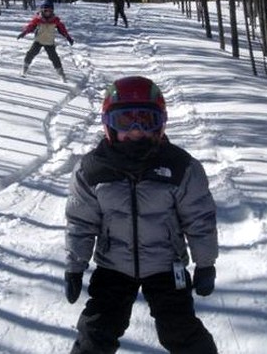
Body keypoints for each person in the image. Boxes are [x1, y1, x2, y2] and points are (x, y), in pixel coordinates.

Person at [64, 76, 219, 354]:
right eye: (126, 122)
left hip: (166, 266)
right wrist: (75, 265)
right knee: (94, 333)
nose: (136, 131)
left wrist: (205, 263)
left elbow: (199, 218)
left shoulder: (180, 167)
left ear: (160, 124)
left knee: (181, 331)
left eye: (145, 121)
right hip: (114, 267)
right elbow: (81, 222)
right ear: (108, 124)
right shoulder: (92, 170)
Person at [16, 0, 74, 81]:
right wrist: (24, 33)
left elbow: (62, 30)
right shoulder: (38, 19)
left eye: (50, 10)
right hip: (38, 41)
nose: (47, 12)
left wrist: (68, 37)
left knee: (54, 58)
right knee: (30, 54)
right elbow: (30, 27)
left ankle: (61, 74)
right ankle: (24, 68)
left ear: (52, 11)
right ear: (42, 10)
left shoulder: (55, 20)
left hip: (49, 42)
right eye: (46, 10)